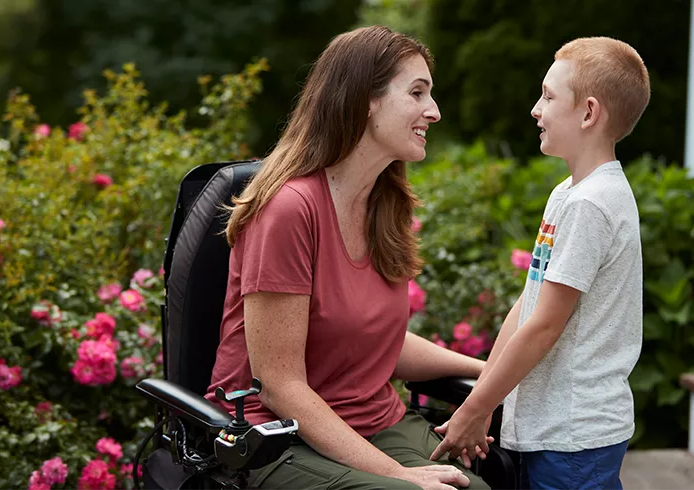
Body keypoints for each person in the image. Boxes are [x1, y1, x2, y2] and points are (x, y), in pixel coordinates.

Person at [203, 25, 491, 490]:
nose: (433, 112)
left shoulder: (384, 205)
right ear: (365, 100)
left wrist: (489, 372)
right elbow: (280, 386)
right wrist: (399, 476)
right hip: (278, 438)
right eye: (417, 92)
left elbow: (376, 340)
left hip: (376, 424)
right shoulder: (288, 210)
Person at [430, 37, 650, 490]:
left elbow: (545, 326)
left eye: (549, 97)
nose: (536, 108)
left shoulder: (592, 203)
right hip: (554, 433)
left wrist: (473, 410)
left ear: (589, 113)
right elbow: (530, 302)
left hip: (574, 438)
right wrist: (487, 393)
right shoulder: (567, 193)